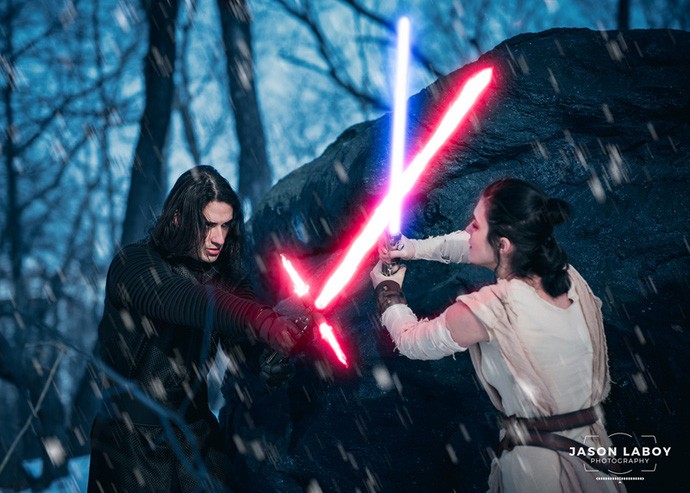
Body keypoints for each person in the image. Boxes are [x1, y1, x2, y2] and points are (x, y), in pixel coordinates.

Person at [370, 178, 626, 492]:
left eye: (475, 225)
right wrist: (412, 248)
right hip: (595, 457)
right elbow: (473, 246)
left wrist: (388, 291)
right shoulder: (567, 275)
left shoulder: (491, 308)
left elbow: (412, 342)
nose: (467, 230)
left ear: (503, 245)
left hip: (540, 473)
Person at [88, 165, 308, 492]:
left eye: (225, 225)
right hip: (129, 445)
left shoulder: (225, 276)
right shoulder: (134, 264)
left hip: (197, 440)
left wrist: (270, 356)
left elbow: (244, 346)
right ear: (178, 218)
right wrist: (261, 320)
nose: (219, 238)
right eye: (208, 225)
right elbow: (187, 300)